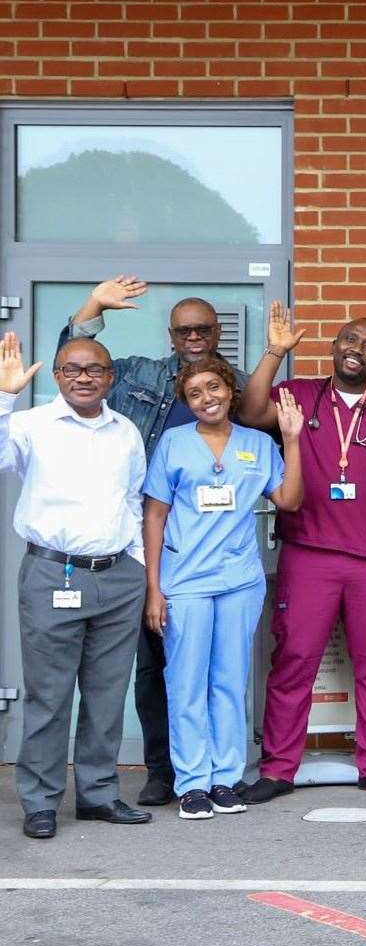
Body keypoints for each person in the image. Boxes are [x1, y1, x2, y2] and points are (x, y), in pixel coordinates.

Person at [60, 275, 249, 807]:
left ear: (217, 333)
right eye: (184, 330)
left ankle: (217, 770)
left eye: (204, 329)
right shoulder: (139, 374)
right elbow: (76, 367)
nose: (194, 337)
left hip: (213, 551)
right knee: (154, 664)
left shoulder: (231, 384)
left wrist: (278, 356)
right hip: (144, 538)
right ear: (171, 336)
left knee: (216, 668)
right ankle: (163, 769)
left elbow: (262, 424)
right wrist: (95, 306)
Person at [237, 304, 366, 804]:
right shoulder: (296, 395)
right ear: (333, 346)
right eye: (349, 340)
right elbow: (250, 413)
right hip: (310, 554)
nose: (356, 350)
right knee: (294, 660)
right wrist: (276, 352)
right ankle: (278, 768)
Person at [1, 333, 150, 839]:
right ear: (57, 376)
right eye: (72, 369)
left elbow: (133, 501)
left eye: (94, 369)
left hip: (119, 576)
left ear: (110, 378)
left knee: (108, 694)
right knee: (49, 695)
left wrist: (141, 569)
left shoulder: (126, 430)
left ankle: (99, 793)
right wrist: (3, 397)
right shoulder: (29, 425)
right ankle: (41, 801)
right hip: (52, 575)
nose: (83, 377)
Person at [142, 361, 305, 820]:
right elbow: (154, 516)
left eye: (213, 387)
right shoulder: (173, 444)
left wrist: (291, 440)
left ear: (229, 390)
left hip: (238, 581)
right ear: (187, 402)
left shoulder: (257, 443)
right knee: (186, 680)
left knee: (230, 680)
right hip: (185, 581)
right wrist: (154, 589)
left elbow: (289, 500)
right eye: (194, 393)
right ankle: (192, 782)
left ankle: (226, 777)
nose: (206, 397)